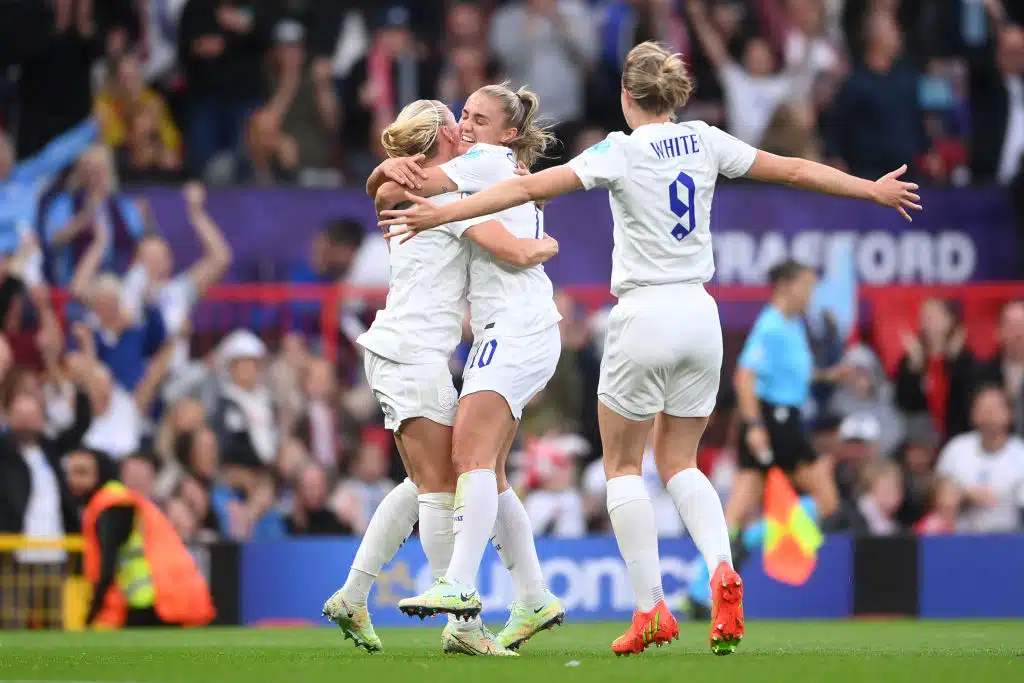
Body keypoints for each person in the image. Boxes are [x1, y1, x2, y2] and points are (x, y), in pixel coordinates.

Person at [378, 41, 921, 655]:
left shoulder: (619, 149)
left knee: (622, 467)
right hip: (701, 315)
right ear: (676, 96)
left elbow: (526, 191)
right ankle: (721, 566)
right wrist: (871, 190)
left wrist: (440, 215)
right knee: (683, 463)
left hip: (643, 313)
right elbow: (795, 170)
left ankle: (650, 607)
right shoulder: (706, 140)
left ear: (626, 97)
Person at [322, 98, 560, 656]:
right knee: (441, 488)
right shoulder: (450, 199)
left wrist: (382, 171)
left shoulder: (407, 189)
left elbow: (382, 190)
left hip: (401, 349)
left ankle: (353, 596)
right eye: (458, 126)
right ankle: (463, 623)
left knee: (445, 478)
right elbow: (512, 249)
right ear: (439, 142)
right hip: (413, 353)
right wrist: (545, 244)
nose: (466, 133)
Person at [729, 261, 842, 539]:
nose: (811, 295)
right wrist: (754, 426)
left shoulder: (794, 325)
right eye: (806, 286)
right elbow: (744, 377)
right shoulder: (770, 326)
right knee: (827, 500)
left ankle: (717, 560)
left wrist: (830, 375)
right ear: (785, 287)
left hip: (780, 419)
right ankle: (752, 539)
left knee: (738, 509)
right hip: (774, 422)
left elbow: (789, 373)